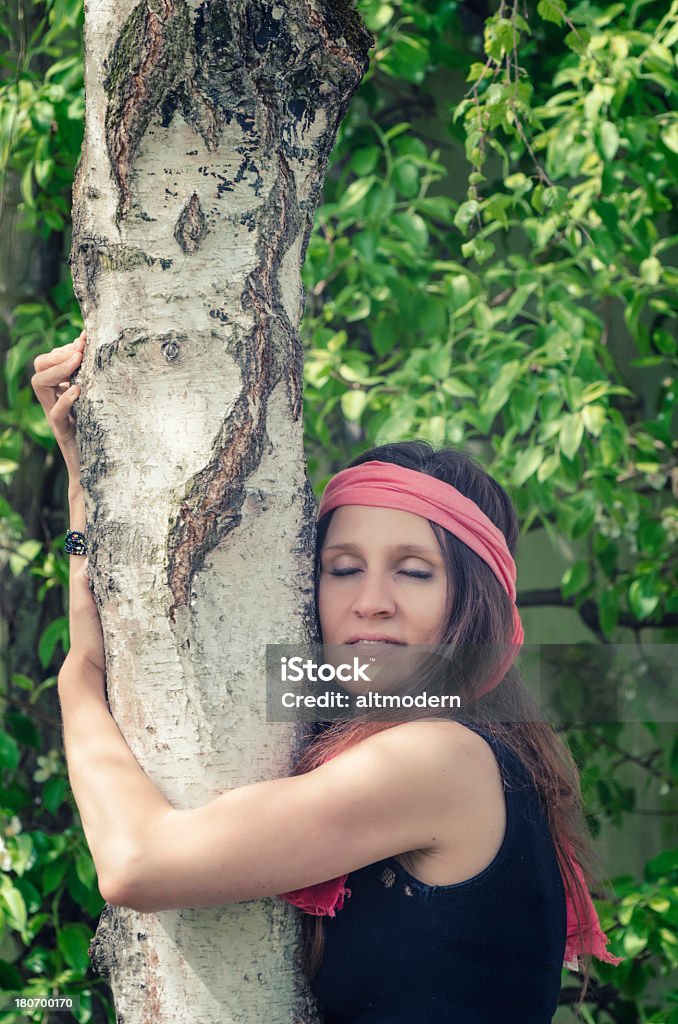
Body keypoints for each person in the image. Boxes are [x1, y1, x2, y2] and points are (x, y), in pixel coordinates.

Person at [31, 332, 622, 1023]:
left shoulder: (440, 756)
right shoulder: (408, 743)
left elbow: (137, 862)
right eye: (342, 568)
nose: (370, 599)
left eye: (413, 570)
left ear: (474, 601)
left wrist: (81, 675)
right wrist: (88, 480)